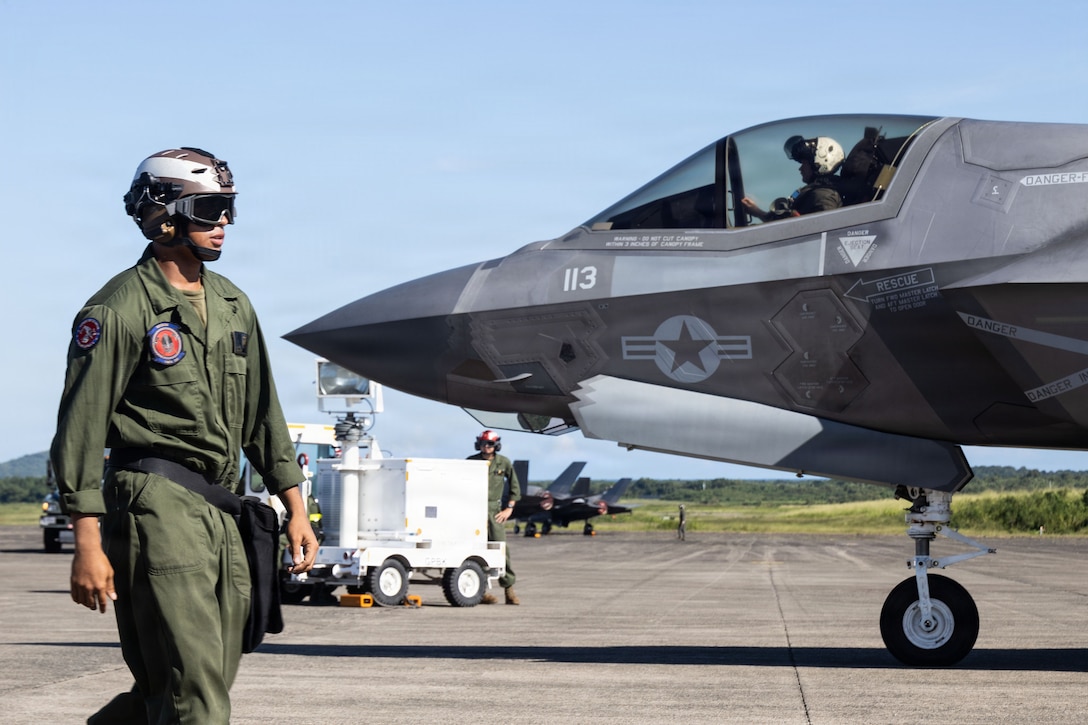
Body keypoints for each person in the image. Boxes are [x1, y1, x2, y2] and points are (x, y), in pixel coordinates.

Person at [50, 147, 318, 724]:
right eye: (209, 208)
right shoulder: (118, 309)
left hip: (225, 511)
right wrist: (87, 543)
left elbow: (263, 413)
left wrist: (296, 506)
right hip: (157, 508)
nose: (223, 222)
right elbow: (81, 424)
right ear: (163, 214)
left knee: (199, 680)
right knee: (193, 695)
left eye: (228, 210)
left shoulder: (232, 304)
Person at [467, 430, 522, 604]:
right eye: (484, 443)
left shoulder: (503, 463)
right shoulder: (471, 462)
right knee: (474, 550)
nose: (486, 447)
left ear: (496, 445)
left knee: (501, 549)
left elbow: (515, 488)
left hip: (494, 510)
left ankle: (509, 589)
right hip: (473, 509)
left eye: (490, 444)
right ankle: (479, 591)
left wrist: (509, 509)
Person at [742, 135, 845, 222]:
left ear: (822, 162)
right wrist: (756, 211)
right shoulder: (815, 192)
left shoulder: (823, 196)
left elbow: (825, 235)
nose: (800, 168)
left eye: (804, 163)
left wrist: (797, 221)